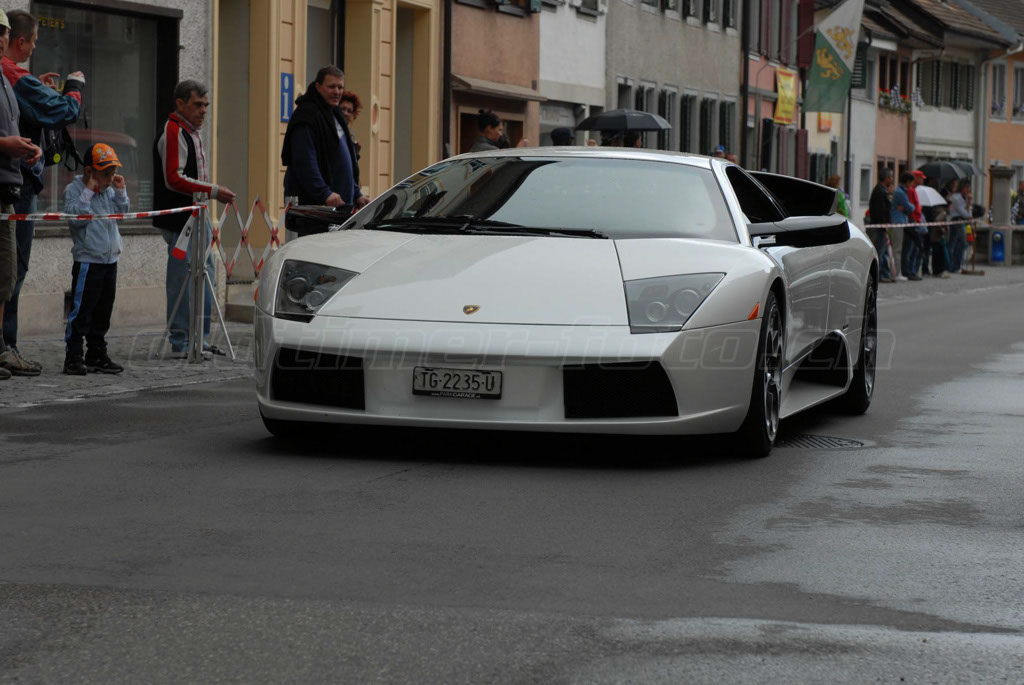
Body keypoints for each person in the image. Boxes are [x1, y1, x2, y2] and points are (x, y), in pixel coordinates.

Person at [1, 11, 84, 369]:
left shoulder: (13, 78)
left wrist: (38, 88)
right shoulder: (12, 75)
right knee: (11, 270)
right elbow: (61, 111)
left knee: (9, 270)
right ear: (19, 41)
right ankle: (6, 347)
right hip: (14, 186)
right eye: (33, 42)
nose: (34, 48)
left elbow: (28, 109)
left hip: (15, 180)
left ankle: (5, 348)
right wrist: (74, 88)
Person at [154, 79, 235, 356]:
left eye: (206, 105)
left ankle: (199, 339)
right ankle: (182, 341)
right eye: (198, 105)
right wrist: (213, 191)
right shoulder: (174, 130)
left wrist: (208, 194)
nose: (203, 111)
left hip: (197, 217)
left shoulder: (191, 132)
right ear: (180, 104)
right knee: (183, 280)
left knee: (205, 275)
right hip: (181, 220)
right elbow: (173, 178)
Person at [0, 10, 43, 381]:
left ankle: (1, 349)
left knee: (5, 275)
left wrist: (27, 147)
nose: (2, 38)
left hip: (8, 186)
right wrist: (6, 145)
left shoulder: (4, 78)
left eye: (2, 32)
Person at [62, 144, 128, 375]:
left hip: (110, 260)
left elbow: (123, 213)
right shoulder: (74, 190)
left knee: (103, 312)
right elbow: (76, 218)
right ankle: (73, 356)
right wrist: (88, 192)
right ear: (90, 172)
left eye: (113, 173)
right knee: (82, 311)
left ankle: (96, 353)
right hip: (88, 261)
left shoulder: (109, 190)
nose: (110, 179)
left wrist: (120, 191)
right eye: (106, 174)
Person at [282, 66, 367, 212]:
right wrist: (324, 192)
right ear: (318, 86)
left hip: (341, 207)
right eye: (331, 86)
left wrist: (356, 193)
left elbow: (343, 161)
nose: (337, 92)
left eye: (340, 87)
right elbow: (305, 161)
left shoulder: (335, 114)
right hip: (317, 208)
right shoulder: (307, 115)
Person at [868, 168, 895, 283]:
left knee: (883, 251)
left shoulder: (881, 190)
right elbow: (881, 211)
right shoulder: (880, 191)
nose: (892, 179)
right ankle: (878, 275)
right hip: (879, 227)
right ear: (886, 178)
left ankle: (884, 274)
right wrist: (884, 226)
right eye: (890, 177)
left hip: (880, 226)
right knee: (880, 251)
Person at [893, 172, 921, 281]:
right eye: (911, 182)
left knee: (900, 248)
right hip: (898, 221)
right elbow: (909, 207)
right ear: (908, 181)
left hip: (901, 221)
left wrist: (907, 207)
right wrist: (911, 206)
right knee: (898, 249)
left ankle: (898, 272)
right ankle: (897, 273)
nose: (911, 185)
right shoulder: (900, 192)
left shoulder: (901, 191)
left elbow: (906, 206)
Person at [338, 89, 362, 184]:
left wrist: (355, 153)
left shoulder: (348, 135)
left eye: (349, 111)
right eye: (342, 109)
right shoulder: (330, 130)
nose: (345, 113)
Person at [947, 180, 971, 273]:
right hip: (957, 220)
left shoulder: (964, 198)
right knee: (960, 243)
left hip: (962, 221)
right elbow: (965, 213)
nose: (968, 190)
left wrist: (968, 203)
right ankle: (954, 265)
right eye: (966, 188)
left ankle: (955, 265)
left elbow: (969, 213)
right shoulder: (956, 198)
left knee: (956, 244)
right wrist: (968, 204)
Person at [909, 170, 928, 276]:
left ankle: (915, 270)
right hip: (915, 222)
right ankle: (912, 271)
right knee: (915, 249)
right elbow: (912, 207)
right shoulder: (911, 190)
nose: (922, 180)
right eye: (921, 178)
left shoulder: (915, 190)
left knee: (918, 248)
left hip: (918, 221)